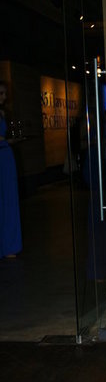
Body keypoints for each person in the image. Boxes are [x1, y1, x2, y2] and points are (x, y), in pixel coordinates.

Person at [0, 81, 22, 259]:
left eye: (5, 93)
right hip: (2, 152)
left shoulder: (3, 113)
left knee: (9, 199)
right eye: (1, 93)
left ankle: (9, 245)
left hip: (6, 155)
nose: (4, 97)